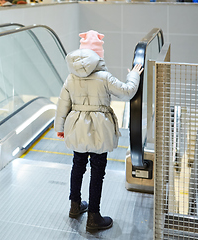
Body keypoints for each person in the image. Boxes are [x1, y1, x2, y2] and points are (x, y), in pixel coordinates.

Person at [54, 30, 143, 230]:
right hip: (99, 128)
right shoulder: (104, 77)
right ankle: (94, 215)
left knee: (77, 165)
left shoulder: (71, 78)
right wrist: (133, 75)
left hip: (77, 126)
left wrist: (60, 128)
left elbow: (62, 104)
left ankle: (75, 206)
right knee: (97, 170)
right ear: (98, 55)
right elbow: (128, 91)